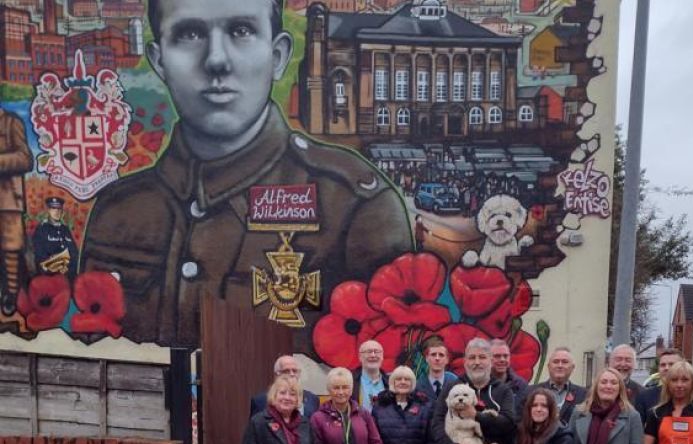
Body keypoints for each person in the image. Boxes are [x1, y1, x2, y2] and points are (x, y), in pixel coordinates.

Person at [80, 0, 412, 349]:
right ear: (159, 60)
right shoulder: (117, 212)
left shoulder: (355, 207)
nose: (216, 60)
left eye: (241, 31)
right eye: (190, 34)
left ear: (279, 55)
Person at [0, 104, 32, 316]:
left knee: (11, 248)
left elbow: (25, 158)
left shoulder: (12, 122)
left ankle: (11, 293)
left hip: (7, 198)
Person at [250, 355, 320, 418]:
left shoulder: (312, 399)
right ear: (276, 375)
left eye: (295, 371)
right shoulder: (260, 401)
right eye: (286, 371)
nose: (292, 374)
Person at [32, 197, 79, 280]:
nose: (56, 212)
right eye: (53, 209)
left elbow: (74, 252)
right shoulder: (42, 229)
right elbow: (40, 256)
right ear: (48, 210)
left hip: (67, 273)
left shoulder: (65, 229)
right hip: (48, 275)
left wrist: (67, 266)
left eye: (59, 209)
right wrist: (59, 266)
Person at [352, 340, 388, 414]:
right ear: (360, 357)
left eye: (377, 352)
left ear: (382, 356)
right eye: (369, 352)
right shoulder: (349, 381)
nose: (373, 355)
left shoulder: (392, 383)